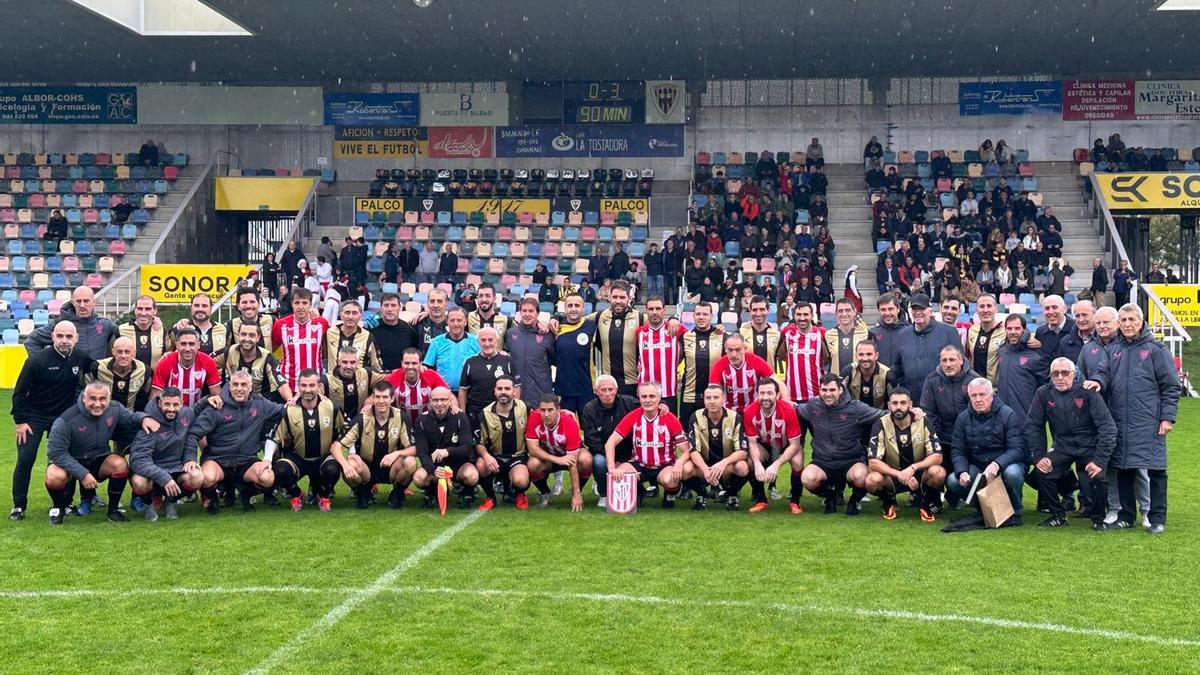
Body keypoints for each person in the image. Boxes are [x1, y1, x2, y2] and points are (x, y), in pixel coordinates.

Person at [1102, 304, 1180, 534]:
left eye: (1131, 319)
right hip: (1119, 420)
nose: (1127, 324)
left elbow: (1171, 386)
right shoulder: (1113, 349)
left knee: (1155, 468)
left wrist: (1167, 418)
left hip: (1149, 420)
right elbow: (1103, 375)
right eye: (1123, 320)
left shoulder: (1156, 349)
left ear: (1141, 320)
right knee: (1124, 466)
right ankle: (1126, 516)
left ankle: (1157, 518)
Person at [9, 320, 95, 520]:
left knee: (65, 459)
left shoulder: (80, 357)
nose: (64, 340)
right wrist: (20, 421)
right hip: (33, 417)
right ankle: (19, 506)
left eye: (69, 336)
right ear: (52, 337)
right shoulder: (36, 360)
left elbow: (96, 368)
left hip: (63, 417)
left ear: (76, 338)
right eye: (60, 336)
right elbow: (19, 392)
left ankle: (65, 504)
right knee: (25, 459)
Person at [44, 381, 156, 524]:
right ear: (84, 398)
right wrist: (82, 473)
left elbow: (130, 417)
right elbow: (56, 453)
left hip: (98, 458)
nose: (98, 404)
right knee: (54, 475)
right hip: (71, 460)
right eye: (93, 398)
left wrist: (144, 418)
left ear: (109, 399)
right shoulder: (65, 420)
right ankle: (58, 508)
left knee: (120, 464)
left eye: (102, 399)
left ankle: (113, 510)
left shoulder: (115, 409)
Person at [1024, 358, 1117, 528]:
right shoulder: (1043, 393)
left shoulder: (1088, 392)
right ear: (1050, 376)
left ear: (1074, 374)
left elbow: (1107, 427)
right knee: (1042, 471)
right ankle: (1058, 515)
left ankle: (1098, 518)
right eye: (1055, 374)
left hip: (1090, 445)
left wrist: (1100, 460)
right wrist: (1038, 457)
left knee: (1098, 476)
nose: (1060, 377)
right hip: (1063, 446)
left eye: (1065, 373)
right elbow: (1032, 425)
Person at [187, 371, 285, 514]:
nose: (239, 388)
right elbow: (194, 433)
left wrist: (299, 400)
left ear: (250, 387)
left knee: (267, 478)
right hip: (217, 459)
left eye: (244, 385)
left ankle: (246, 494)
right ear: (229, 386)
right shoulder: (217, 405)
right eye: (235, 384)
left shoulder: (260, 404)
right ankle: (213, 499)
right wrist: (190, 458)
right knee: (206, 478)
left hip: (246, 460)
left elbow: (284, 410)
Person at [797, 374, 889, 515]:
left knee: (861, 476)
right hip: (823, 461)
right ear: (820, 391)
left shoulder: (856, 408)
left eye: (832, 390)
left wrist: (913, 412)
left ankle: (855, 499)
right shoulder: (812, 407)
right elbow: (794, 409)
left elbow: (882, 414)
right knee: (807, 478)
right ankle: (830, 496)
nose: (828, 394)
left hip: (851, 460)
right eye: (824, 390)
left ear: (840, 390)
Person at [947, 378, 1027, 526]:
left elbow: (1017, 449)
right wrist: (962, 471)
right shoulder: (963, 418)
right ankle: (982, 507)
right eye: (974, 396)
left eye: (982, 395)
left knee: (1013, 474)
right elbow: (958, 450)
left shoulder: (1008, 414)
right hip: (978, 466)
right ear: (969, 397)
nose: (978, 399)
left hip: (1006, 464)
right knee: (953, 480)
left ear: (991, 395)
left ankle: (1016, 510)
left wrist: (997, 464)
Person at [330, 380, 416, 510]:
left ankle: (397, 492)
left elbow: (414, 448)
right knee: (350, 464)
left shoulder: (401, 417)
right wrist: (345, 464)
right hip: (366, 468)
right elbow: (335, 447)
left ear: (392, 399)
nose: (381, 401)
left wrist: (397, 453)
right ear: (373, 398)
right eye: (378, 397)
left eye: (385, 397)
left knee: (410, 462)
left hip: (391, 467)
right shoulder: (361, 419)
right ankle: (363, 492)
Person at [605, 382, 691, 508]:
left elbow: (687, 449)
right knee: (619, 476)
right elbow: (610, 443)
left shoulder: (670, 419)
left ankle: (669, 495)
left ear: (659, 398)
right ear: (639, 398)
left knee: (671, 480)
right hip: (640, 464)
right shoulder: (632, 417)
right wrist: (612, 468)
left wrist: (679, 462)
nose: (648, 400)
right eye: (644, 397)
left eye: (652, 396)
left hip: (664, 465)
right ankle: (639, 490)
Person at [865, 388, 944, 521]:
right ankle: (888, 500)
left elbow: (937, 456)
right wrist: (899, 474)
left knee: (938, 472)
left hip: (919, 473)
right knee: (871, 480)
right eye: (895, 403)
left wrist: (913, 468)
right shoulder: (881, 424)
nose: (899, 407)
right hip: (893, 475)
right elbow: (873, 462)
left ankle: (927, 499)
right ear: (889, 405)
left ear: (910, 405)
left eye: (903, 403)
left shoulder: (923, 421)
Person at [129, 388, 204, 521]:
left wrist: (190, 458)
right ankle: (148, 504)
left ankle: (171, 501)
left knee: (197, 476)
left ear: (181, 403)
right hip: (153, 470)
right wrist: (163, 477)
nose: (171, 409)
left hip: (176, 467)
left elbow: (192, 434)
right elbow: (138, 460)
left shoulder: (186, 414)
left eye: (175, 405)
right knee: (139, 482)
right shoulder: (149, 423)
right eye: (167, 404)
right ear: (160, 403)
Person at [743, 378, 805, 514]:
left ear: (777, 395)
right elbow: (752, 443)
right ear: (757, 394)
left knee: (797, 461)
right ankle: (761, 500)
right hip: (765, 445)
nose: (765, 397)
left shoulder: (788, 410)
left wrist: (776, 464)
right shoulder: (749, 411)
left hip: (787, 445)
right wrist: (757, 464)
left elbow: (795, 445)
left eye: (770, 393)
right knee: (751, 461)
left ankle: (795, 501)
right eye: (762, 393)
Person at [684, 384, 750, 511]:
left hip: (726, 465)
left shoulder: (735, 417)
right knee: (685, 470)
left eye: (716, 397)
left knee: (743, 467)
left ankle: (731, 494)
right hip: (704, 464)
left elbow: (742, 451)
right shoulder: (696, 417)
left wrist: (723, 463)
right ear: (704, 400)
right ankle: (701, 493)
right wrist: (705, 469)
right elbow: (693, 450)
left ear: (723, 399)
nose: (712, 401)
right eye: (708, 398)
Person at [411, 386, 479, 509]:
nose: (439, 403)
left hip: (458, 465)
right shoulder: (421, 420)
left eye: (443, 399)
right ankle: (431, 492)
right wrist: (433, 470)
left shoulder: (460, 417)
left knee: (472, 476)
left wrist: (447, 451)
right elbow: (422, 452)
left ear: (450, 401)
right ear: (430, 402)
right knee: (418, 478)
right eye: (435, 400)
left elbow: (467, 448)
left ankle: (466, 491)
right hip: (435, 465)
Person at [582, 375, 641, 509]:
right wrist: (612, 459)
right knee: (599, 462)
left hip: (629, 453)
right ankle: (604, 494)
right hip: (602, 453)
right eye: (603, 390)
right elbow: (592, 441)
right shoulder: (589, 409)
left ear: (616, 389)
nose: (607, 394)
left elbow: (648, 405)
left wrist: (663, 405)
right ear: (596, 391)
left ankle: (638, 490)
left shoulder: (630, 403)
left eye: (610, 389)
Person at [474, 377, 532, 511]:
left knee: (521, 480)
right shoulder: (485, 413)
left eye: (507, 389)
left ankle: (519, 493)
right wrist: (486, 456)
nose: (503, 392)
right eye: (500, 389)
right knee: (481, 464)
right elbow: (479, 443)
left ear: (514, 391)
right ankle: (490, 497)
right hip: (496, 458)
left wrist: (562, 412)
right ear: (494, 391)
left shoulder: (525, 408)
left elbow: (542, 416)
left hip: (517, 457)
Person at [526, 394, 590, 511]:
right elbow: (533, 449)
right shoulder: (534, 417)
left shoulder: (569, 423)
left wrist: (576, 494)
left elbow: (572, 462)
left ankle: (576, 492)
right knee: (532, 464)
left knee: (586, 460)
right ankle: (545, 493)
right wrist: (557, 459)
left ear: (558, 410)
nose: (546, 414)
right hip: (548, 459)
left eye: (550, 410)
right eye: (543, 410)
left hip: (569, 457)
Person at [892, 293, 962, 392]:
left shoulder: (949, 332)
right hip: (912, 397)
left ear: (930, 311)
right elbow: (898, 367)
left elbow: (960, 365)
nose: (918, 312)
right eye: (915, 309)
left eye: (922, 309)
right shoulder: (903, 334)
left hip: (941, 396)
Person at [25, 286, 116, 359]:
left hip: (96, 378)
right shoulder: (60, 324)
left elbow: (124, 334)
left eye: (86, 301)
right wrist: (44, 364)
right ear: (73, 303)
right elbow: (32, 341)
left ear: (94, 302)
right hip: (68, 379)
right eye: (78, 301)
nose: (82, 305)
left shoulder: (105, 325)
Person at [271, 287, 330, 393]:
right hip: (288, 385)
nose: (300, 307)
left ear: (310, 305)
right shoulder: (280, 325)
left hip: (315, 384)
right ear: (292, 304)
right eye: (297, 303)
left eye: (304, 303)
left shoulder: (322, 324)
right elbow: (275, 349)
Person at [458, 327, 518, 426]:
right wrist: (463, 414)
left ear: (497, 341)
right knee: (478, 441)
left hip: (502, 412)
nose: (487, 343)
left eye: (490, 340)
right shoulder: (470, 362)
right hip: (476, 412)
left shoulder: (507, 361)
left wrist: (515, 409)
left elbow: (516, 387)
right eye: (483, 340)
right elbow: (463, 390)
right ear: (478, 341)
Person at [593, 280, 644, 397]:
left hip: (632, 383)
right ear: (609, 298)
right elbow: (576, 318)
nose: (618, 301)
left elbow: (659, 321)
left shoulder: (640, 318)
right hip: (609, 386)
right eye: (615, 297)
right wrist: (556, 317)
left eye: (622, 297)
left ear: (629, 299)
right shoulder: (601, 316)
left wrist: (673, 319)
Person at [635, 297, 683, 416]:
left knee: (669, 429)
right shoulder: (640, 332)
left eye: (658, 308)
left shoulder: (675, 328)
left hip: (669, 391)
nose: (654, 312)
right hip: (646, 392)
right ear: (646, 311)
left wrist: (674, 319)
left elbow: (698, 335)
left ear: (664, 310)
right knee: (647, 428)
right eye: (651, 309)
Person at [678, 302, 723, 429]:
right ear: (693, 316)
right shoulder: (685, 337)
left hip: (714, 396)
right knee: (688, 434)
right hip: (689, 395)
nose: (701, 317)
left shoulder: (721, 336)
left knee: (714, 435)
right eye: (698, 314)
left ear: (711, 316)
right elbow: (673, 361)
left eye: (705, 314)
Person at [150, 328, 221, 407]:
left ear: (198, 345)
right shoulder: (165, 362)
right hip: (171, 412)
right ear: (177, 345)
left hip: (197, 411)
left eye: (191, 344)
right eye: (183, 344)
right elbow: (154, 398)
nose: (187, 348)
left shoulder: (208, 362)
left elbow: (216, 396)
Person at [996, 314, 1048, 421]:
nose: (1013, 332)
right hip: (1003, 415)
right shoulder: (1001, 351)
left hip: (1026, 416)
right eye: (1009, 328)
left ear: (1024, 330)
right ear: (1005, 330)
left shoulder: (1036, 354)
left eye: (1017, 328)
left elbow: (1044, 387)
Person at [710, 333, 777, 414]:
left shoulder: (755, 361)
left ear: (745, 349)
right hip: (729, 412)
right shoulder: (719, 365)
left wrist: (786, 401)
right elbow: (713, 392)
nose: (734, 354)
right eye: (730, 350)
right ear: (725, 350)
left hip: (754, 411)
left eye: (738, 350)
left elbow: (776, 382)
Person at [553, 294, 598, 414]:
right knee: (566, 429)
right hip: (564, 390)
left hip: (587, 389)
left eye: (577, 305)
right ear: (565, 308)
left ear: (584, 308)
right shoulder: (556, 327)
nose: (573, 309)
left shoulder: (592, 327)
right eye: (570, 305)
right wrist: (555, 317)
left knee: (588, 429)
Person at [505, 298, 555, 408]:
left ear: (538, 313)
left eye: (531, 311)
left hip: (540, 394)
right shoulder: (510, 333)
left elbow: (555, 360)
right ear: (520, 312)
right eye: (524, 311)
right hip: (516, 394)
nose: (527, 314)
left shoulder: (548, 335)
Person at [223, 322, 291, 402]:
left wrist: (289, 400)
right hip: (234, 399)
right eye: (243, 334)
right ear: (238, 335)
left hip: (261, 402)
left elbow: (281, 383)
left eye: (252, 335)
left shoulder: (267, 357)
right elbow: (209, 362)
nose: (247, 339)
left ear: (258, 338)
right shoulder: (228, 352)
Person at [386, 348, 449, 427]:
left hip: (428, 425)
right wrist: (368, 406)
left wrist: (454, 406)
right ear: (401, 363)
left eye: (414, 363)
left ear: (421, 363)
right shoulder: (394, 378)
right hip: (401, 426)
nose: (410, 367)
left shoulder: (431, 376)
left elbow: (448, 394)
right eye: (407, 363)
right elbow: (377, 396)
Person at [87, 336, 151, 413]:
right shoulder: (97, 367)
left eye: (127, 352)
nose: (123, 356)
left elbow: (144, 396)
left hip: (129, 416)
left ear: (134, 353)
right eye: (119, 351)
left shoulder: (144, 370)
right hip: (103, 415)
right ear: (113, 352)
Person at [323, 300, 382, 373]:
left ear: (360, 316)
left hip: (359, 383)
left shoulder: (367, 337)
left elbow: (376, 366)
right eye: (347, 313)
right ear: (340, 315)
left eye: (354, 313)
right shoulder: (330, 333)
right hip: (334, 383)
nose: (350, 317)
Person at [370, 293, 419, 372]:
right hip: (377, 376)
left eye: (393, 305)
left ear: (399, 308)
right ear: (381, 308)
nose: (389, 309)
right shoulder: (371, 328)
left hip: (401, 376)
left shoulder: (410, 330)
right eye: (386, 305)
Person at [823, 298, 870, 376]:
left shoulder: (866, 333)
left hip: (858, 383)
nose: (844, 314)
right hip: (837, 383)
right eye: (840, 311)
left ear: (854, 311)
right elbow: (827, 360)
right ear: (836, 313)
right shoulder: (828, 335)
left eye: (847, 310)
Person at [842, 340, 893, 410]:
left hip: (880, 417)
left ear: (876, 356)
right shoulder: (848, 371)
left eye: (869, 354)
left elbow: (894, 402)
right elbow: (839, 397)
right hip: (854, 417)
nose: (865, 358)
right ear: (856, 355)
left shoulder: (887, 374)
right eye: (861, 354)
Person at [965, 294, 1004, 384]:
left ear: (996, 309)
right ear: (976, 310)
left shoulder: (1005, 331)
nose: (985, 310)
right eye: (982, 306)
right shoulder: (972, 330)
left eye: (989, 306)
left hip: (996, 389)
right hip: (975, 385)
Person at [228, 287, 277, 353]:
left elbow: (277, 344)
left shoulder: (271, 320)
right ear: (238, 306)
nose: (248, 306)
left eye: (252, 302)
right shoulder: (231, 325)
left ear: (259, 304)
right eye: (244, 302)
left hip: (266, 362)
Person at [740, 296, 781, 367]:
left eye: (762, 309)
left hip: (769, 377)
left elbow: (781, 360)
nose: (758, 314)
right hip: (748, 377)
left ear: (768, 310)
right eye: (755, 310)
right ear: (750, 311)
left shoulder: (777, 335)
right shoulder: (741, 333)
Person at [466, 283, 511, 350]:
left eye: (488, 296)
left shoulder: (506, 320)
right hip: (475, 359)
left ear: (494, 298)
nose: (484, 299)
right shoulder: (468, 318)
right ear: (477, 298)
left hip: (497, 360)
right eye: (481, 296)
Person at [870, 293, 907, 369]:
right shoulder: (873, 333)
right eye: (883, 310)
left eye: (890, 309)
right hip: (881, 379)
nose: (887, 313)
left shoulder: (909, 332)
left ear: (898, 309)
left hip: (903, 379)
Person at [1033, 295, 1074, 361]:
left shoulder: (1075, 329)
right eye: (1047, 308)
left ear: (1064, 309)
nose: (1051, 312)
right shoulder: (1040, 332)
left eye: (1055, 307)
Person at [415, 289, 450, 354]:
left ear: (446, 303)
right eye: (432, 301)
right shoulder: (417, 323)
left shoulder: (454, 324)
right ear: (428, 303)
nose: (435, 305)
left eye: (439, 301)